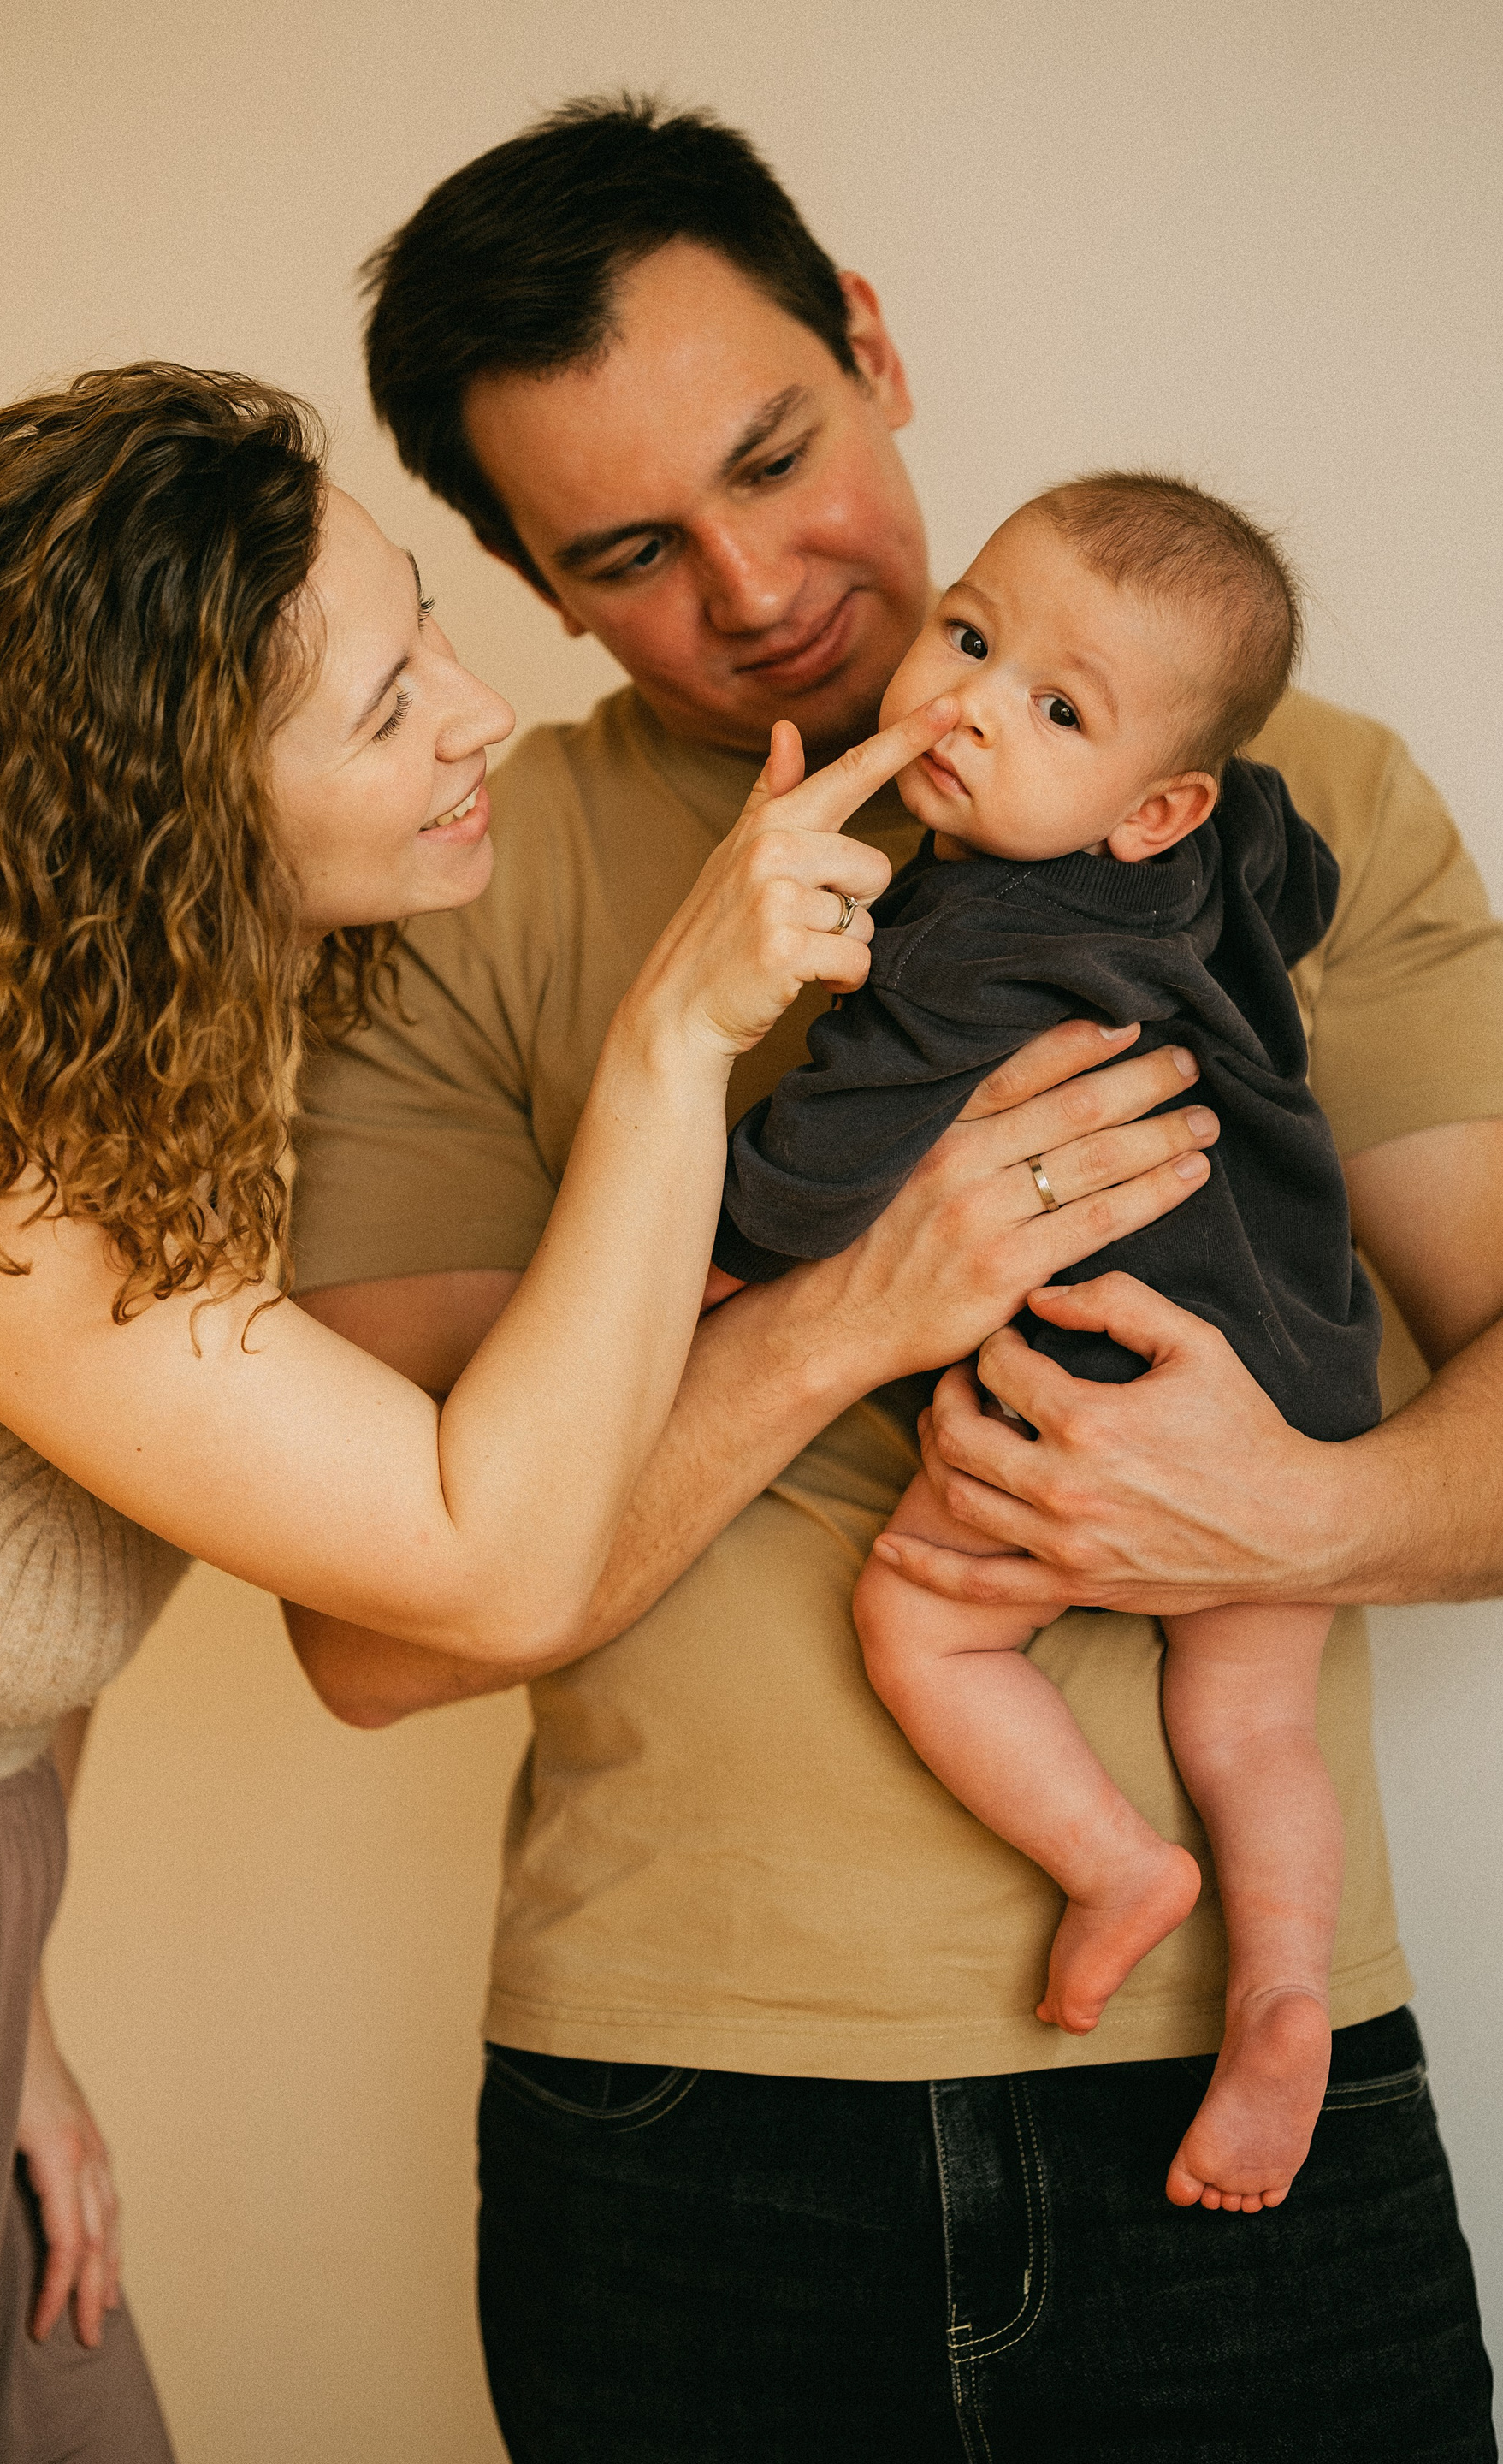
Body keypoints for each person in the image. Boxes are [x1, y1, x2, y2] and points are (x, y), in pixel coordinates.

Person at [287, 98, 1503, 2456]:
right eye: (630, 550)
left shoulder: (1297, 788)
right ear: (533, 587)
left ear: (872, 343)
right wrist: (851, 1309)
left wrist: (1294, 1517)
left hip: (1245, 2091)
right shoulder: (453, 879)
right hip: (684, 2104)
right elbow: (373, 1637)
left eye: (777, 456)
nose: (754, 587)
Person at [0, 358, 975, 2458]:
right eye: (386, 708)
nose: (477, 715)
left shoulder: (136, 1059)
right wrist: (675, 1034)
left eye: (431, 632)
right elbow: (491, 1569)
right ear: (173, 814)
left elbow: (15, 1617)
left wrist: (9, 2016)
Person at [715, 469, 1384, 2217]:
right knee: (1257, 1722)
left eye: (1057, 709)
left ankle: (1113, 1867)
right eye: (969, 637)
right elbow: (1297, 880)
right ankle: (1285, 1983)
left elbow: (821, 1163)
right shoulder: (1229, 837)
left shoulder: (960, 945)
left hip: (1095, 1381)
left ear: (1155, 804)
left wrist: (707, 1269)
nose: (971, 707)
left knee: (921, 1623)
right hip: (1299, 1374)